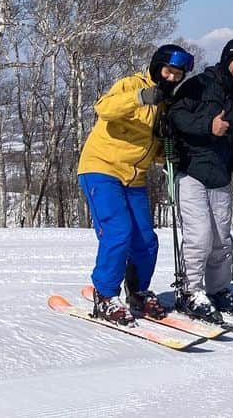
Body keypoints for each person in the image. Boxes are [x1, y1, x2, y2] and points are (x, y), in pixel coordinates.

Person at [77, 44, 194, 325]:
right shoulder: (132, 85)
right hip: (101, 168)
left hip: (135, 176)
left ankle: (138, 291)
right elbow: (104, 109)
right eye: (168, 71)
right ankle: (105, 295)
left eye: (178, 75)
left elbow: (148, 146)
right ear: (157, 68)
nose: (172, 78)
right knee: (118, 232)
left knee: (146, 239)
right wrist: (141, 97)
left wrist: (167, 153)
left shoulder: (165, 105)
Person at [166, 37, 233, 322]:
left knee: (221, 240)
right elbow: (176, 118)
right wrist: (209, 126)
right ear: (227, 58)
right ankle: (190, 290)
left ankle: (218, 289)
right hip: (192, 171)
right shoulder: (199, 85)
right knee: (200, 236)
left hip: (220, 174)